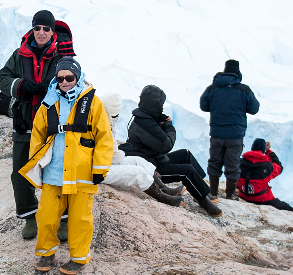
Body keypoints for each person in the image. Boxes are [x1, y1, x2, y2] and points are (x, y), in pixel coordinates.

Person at [18, 58, 113, 275]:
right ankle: (46, 253)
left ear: (77, 78)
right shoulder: (49, 103)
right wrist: (37, 163)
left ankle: (78, 258)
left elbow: (104, 138)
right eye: (60, 78)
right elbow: (38, 134)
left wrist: (100, 168)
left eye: (69, 77)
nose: (65, 82)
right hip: (54, 171)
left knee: (80, 218)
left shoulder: (93, 103)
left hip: (83, 173)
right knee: (46, 215)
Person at [0, 10, 73, 238]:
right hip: (25, 123)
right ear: (32, 29)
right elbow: (3, 78)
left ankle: (62, 220)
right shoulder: (20, 54)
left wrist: (53, 89)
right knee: (21, 173)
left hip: (53, 127)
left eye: (46, 29)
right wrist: (21, 85)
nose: (41, 32)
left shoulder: (62, 57)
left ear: (52, 32)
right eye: (37, 27)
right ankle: (30, 217)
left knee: (57, 170)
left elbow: (74, 83)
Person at [120, 85, 223, 217]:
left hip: (154, 159)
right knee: (187, 171)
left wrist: (161, 122)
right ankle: (205, 202)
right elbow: (166, 145)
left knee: (185, 154)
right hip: (152, 168)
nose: (161, 107)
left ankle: (201, 190)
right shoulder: (145, 124)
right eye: (160, 104)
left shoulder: (146, 118)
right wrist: (169, 127)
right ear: (154, 104)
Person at [99, 91, 184, 206]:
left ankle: (164, 189)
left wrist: (121, 153)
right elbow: (114, 157)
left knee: (139, 161)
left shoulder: (105, 121)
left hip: (103, 163)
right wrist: (123, 153)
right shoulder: (101, 125)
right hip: (98, 171)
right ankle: (162, 197)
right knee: (137, 172)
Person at [199, 59, 260, 200]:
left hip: (217, 133)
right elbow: (254, 109)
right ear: (237, 72)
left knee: (214, 163)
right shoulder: (244, 89)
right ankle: (230, 196)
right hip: (235, 136)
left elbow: (203, 105)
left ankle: (213, 193)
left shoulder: (212, 88)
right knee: (232, 166)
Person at [237, 139, 293, 212]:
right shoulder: (267, 166)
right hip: (262, 199)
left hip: (243, 196)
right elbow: (279, 167)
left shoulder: (239, 162)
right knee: (283, 206)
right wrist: (268, 151)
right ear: (262, 150)